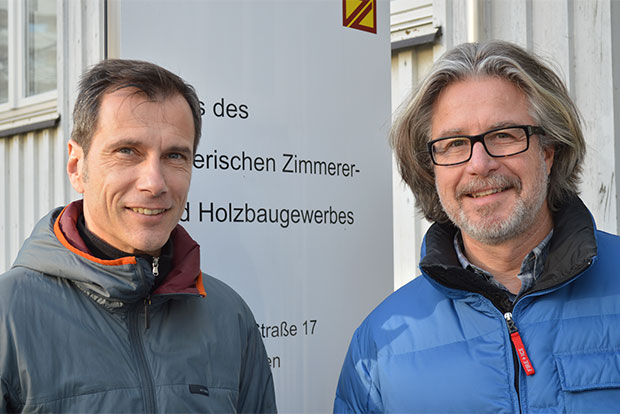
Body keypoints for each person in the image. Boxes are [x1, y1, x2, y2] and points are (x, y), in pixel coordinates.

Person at [334, 40, 620, 413]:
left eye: (504, 135)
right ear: (431, 168)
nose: (480, 165)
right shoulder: (379, 347)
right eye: (454, 143)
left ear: (548, 152)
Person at [0, 59, 277, 412]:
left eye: (174, 155)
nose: (154, 183)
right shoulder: (8, 318)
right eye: (127, 151)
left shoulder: (230, 317)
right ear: (77, 166)